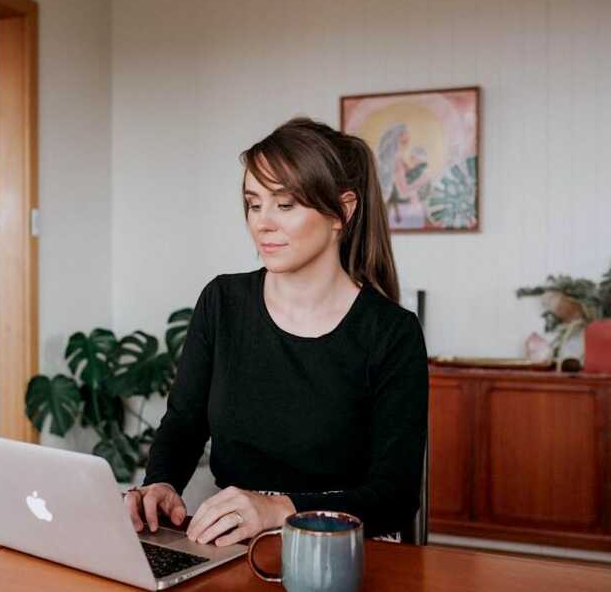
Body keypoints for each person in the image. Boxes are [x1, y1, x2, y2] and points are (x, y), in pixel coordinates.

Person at [124, 117, 429, 547]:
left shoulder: (391, 333)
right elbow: (184, 423)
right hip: (236, 544)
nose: (262, 223)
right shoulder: (222, 302)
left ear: (343, 211)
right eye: (254, 203)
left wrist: (279, 509)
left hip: (344, 548)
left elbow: (394, 497)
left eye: (285, 205)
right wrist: (160, 484)